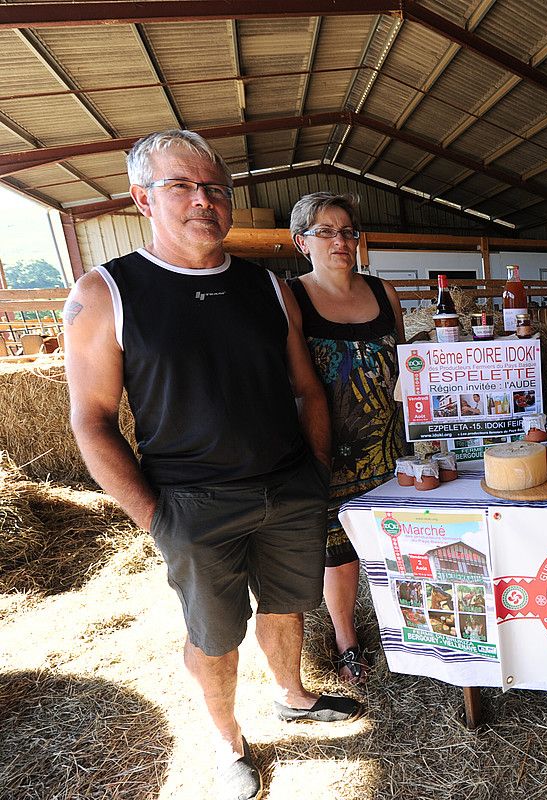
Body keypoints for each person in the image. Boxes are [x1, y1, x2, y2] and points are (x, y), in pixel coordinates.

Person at [64, 130, 360, 800]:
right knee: (214, 634)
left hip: (289, 488)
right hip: (191, 502)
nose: (205, 201)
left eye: (217, 189)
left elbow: (307, 390)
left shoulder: (267, 287)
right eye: (183, 186)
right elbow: (91, 420)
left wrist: (313, 474)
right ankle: (227, 742)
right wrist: (153, 516)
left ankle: (292, 694)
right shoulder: (107, 292)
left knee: (288, 608)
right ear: (143, 198)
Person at [287, 192, 406, 685]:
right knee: (339, 553)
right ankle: (345, 637)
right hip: (329, 448)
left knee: (399, 542)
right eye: (326, 232)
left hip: (389, 443)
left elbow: (403, 364)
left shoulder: (383, 291)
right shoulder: (290, 296)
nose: (341, 241)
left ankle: (407, 627)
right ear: (301, 242)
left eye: (348, 232)